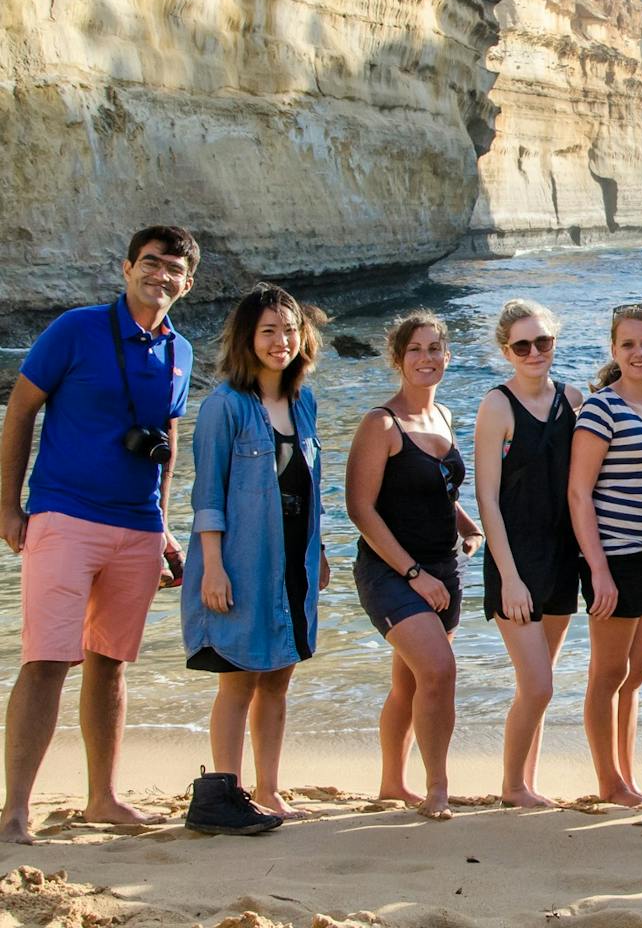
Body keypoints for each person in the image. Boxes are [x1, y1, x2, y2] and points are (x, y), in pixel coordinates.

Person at [1, 226, 199, 844]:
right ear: (126, 268)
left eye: (172, 269)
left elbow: (166, 446)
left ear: (186, 284)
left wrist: (164, 527)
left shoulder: (181, 352)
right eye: (149, 263)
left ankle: (102, 798)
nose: (159, 276)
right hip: (64, 515)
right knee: (46, 660)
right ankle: (14, 812)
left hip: (138, 527)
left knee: (110, 663)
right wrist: (7, 506)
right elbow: (20, 411)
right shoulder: (74, 329)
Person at [181, 284, 329, 835]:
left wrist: (319, 552)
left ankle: (268, 789)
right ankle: (224, 792)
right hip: (242, 560)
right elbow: (208, 496)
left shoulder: (304, 402)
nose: (281, 341)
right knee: (238, 678)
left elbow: (313, 489)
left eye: (289, 330)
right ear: (246, 338)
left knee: (278, 679)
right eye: (268, 331)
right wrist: (212, 565)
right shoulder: (225, 405)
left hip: (293, 558)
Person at [346, 311, 483, 821]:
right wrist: (412, 575)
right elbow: (360, 509)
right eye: (416, 350)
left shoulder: (443, 415)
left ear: (447, 356)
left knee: (410, 683)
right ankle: (437, 788)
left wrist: (468, 527)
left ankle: (391, 784)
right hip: (392, 571)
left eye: (435, 349)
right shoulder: (381, 423)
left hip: (445, 568)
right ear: (398, 359)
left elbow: (438, 491)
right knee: (440, 671)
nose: (427, 359)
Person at [569, 302, 642, 807]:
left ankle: (628, 777)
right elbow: (579, 493)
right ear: (614, 351)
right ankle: (609, 782)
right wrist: (598, 570)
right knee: (609, 672)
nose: (639, 352)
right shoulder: (601, 408)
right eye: (628, 344)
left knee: (637, 672)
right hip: (615, 555)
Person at [473, 299, 583, 808]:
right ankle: (513, 787)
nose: (534, 352)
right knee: (537, 685)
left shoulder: (574, 400)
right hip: (514, 563)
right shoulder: (497, 406)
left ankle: (525, 782)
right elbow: (486, 499)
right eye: (523, 345)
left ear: (554, 343)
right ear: (506, 352)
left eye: (543, 342)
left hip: (562, 559)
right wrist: (509, 578)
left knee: (538, 682)